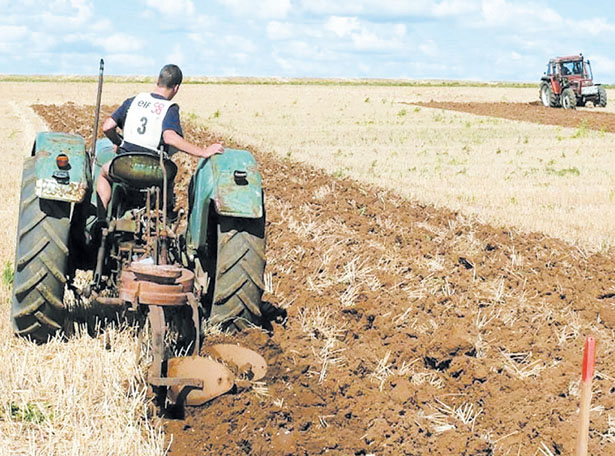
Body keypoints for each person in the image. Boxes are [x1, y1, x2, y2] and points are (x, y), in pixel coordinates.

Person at [97, 64, 224, 214]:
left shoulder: (133, 101)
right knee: (168, 179)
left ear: (158, 81)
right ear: (176, 88)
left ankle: (101, 218)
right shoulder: (169, 108)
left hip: (125, 165)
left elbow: (107, 127)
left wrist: (119, 143)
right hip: (155, 170)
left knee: (104, 174)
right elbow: (170, 137)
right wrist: (202, 152)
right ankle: (164, 215)